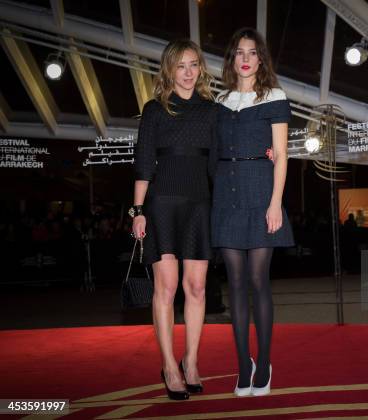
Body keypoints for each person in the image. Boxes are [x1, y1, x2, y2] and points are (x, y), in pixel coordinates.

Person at [132, 39, 216, 400]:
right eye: (181, 65)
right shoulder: (154, 110)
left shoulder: (212, 112)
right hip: (162, 205)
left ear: (200, 69)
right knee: (165, 289)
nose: (187, 72)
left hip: (200, 204)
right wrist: (137, 211)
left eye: (194, 65)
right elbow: (143, 162)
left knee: (197, 289)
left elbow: (222, 160)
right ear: (169, 69)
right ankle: (169, 365)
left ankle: (191, 361)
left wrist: (265, 152)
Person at [211, 27, 294, 397]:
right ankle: (243, 364)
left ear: (261, 58)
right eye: (239, 52)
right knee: (236, 284)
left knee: (259, 281)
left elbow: (282, 155)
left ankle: (265, 362)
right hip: (226, 195)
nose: (245, 58)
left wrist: (275, 202)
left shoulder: (275, 96)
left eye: (252, 52)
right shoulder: (221, 100)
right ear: (233, 59)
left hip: (261, 191)